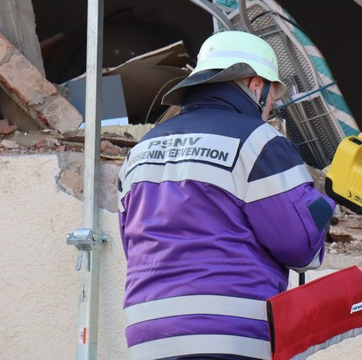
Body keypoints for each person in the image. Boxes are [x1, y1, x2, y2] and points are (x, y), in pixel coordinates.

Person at [117, 30, 335, 360]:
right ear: (255, 84)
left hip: (148, 334)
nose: (271, 107)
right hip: (230, 333)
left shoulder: (140, 151)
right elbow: (300, 248)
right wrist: (321, 206)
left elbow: (132, 243)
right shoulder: (258, 142)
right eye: (272, 95)